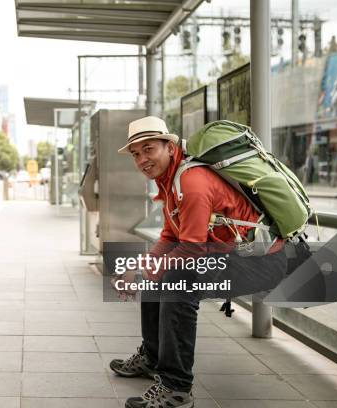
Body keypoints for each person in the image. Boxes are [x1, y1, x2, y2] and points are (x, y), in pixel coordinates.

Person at [110, 116, 287, 408]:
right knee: (160, 273)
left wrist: (148, 269)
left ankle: (176, 388)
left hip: (263, 260)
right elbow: (170, 235)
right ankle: (153, 356)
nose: (142, 159)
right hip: (232, 255)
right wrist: (142, 268)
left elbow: (191, 249)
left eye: (148, 149)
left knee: (179, 280)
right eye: (136, 153)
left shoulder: (191, 181)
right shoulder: (169, 181)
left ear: (169, 146)